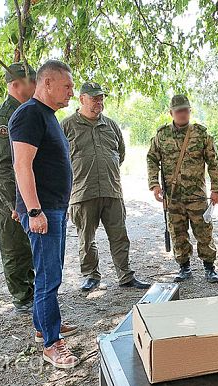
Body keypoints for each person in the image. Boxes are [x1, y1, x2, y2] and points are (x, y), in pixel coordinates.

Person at [10, 60, 79, 369]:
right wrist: (33, 209)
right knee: (49, 277)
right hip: (43, 210)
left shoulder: (47, 116)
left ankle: (43, 326)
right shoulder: (28, 115)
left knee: (50, 273)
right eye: (67, 86)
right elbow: (21, 165)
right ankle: (52, 345)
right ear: (47, 83)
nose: (71, 93)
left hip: (54, 208)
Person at [61, 82, 150, 292]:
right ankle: (91, 276)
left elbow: (120, 154)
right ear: (82, 99)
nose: (98, 102)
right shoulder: (67, 126)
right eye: (94, 98)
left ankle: (125, 275)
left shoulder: (111, 125)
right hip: (82, 192)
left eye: (101, 98)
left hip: (112, 190)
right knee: (86, 239)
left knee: (119, 236)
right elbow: (58, 161)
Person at [146, 95, 218, 283]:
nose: (182, 113)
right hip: (173, 196)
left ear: (190, 111)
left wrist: (216, 189)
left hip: (197, 195)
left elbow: (213, 162)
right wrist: (154, 184)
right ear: (171, 112)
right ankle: (184, 267)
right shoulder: (161, 136)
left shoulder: (201, 134)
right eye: (179, 110)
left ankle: (209, 268)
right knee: (177, 232)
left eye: (185, 110)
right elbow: (152, 159)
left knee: (204, 232)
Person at [0, 62, 36, 313]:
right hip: (8, 193)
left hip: (22, 192)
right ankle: (22, 298)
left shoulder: (25, 111)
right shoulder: (4, 117)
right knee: (14, 245)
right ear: (16, 85)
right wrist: (14, 203)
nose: (36, 85)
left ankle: (31, 290)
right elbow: (1, 165)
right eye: (32, 81)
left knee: (26, 244)